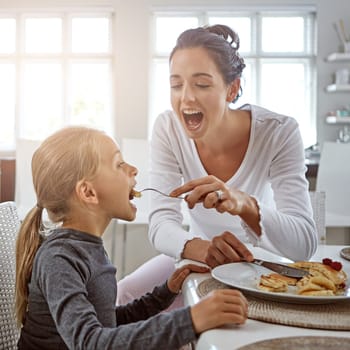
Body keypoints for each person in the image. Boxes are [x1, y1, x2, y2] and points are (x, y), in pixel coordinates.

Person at [117, 24, 317, 305]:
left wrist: (244, 204)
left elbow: (303, 246)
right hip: (196, 252)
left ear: (232, 89)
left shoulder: (279, 131)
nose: (186, 97)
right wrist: (200, 249)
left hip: (259, 261)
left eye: (201, 84)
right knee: (123, 295)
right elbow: (162, 223)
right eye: (176, 84)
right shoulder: (168, 128)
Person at [15, 126, 248, 349]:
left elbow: (108, 321)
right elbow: (90, 343)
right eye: (119, 164)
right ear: (88, 192)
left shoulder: (86, 247)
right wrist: (190, 320)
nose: (133, 169)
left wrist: (165, 292)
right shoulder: (59, 258)